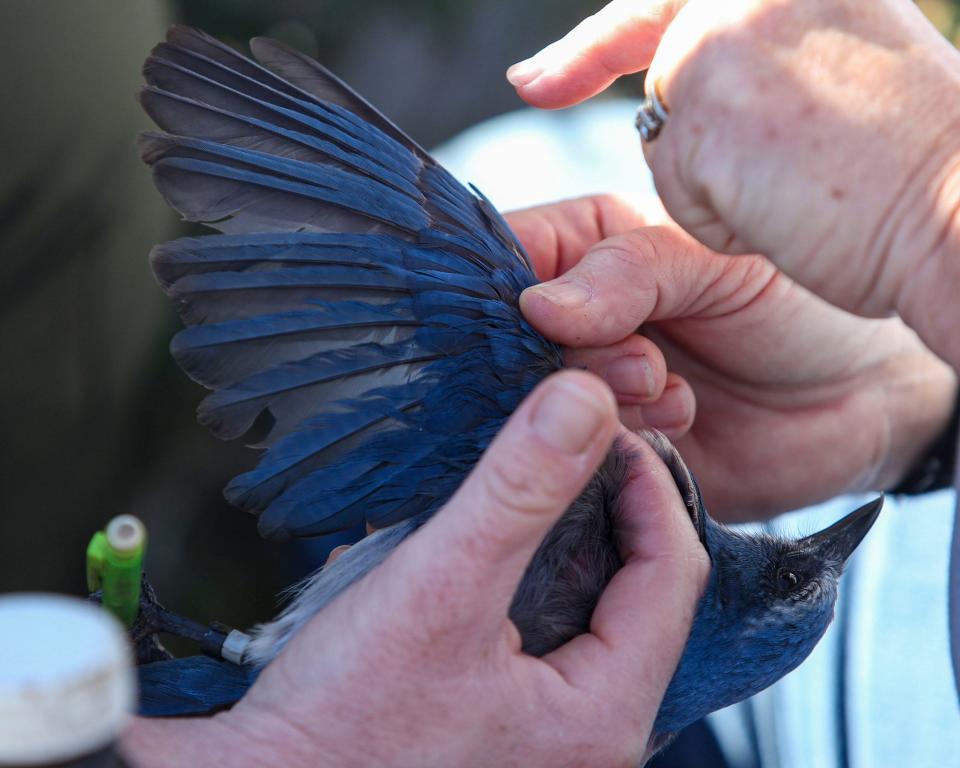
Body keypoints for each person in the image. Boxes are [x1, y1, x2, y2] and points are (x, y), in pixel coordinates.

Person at [122, 0, 960, 764]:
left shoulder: (595, 518)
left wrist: (928, 211)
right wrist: (910, 415)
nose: (820, 544)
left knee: (508, 258)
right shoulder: (618, 721)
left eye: (787, 575)